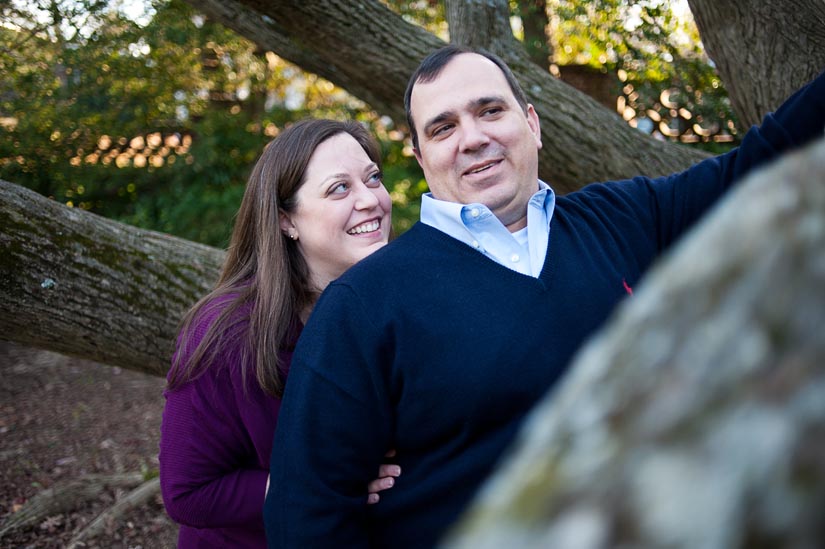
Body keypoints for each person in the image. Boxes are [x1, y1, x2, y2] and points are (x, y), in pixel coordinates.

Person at [264, 45, 825, 548]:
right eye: (442, 128)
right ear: (420, 155)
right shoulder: (363, 305)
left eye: (490, 110)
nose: (473, 138)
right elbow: (306, 518)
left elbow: (765, 161)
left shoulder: (628, 219)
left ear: (532, 123)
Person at [158, 118, 400, 548]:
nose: (371, 200)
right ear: (286, 219)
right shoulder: (226, 334)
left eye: (373, 178)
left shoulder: (397, 299)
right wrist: (317, 483)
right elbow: (188, 493)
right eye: (339, 188)